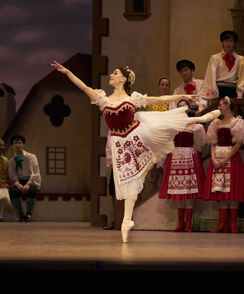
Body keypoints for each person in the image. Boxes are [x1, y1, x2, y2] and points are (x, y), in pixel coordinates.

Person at [51, 61, 220, 243]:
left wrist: (184, 96)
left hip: (136, 134)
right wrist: (68, 72)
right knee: (127, 180)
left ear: (123, 79)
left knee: (165, 122)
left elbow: (157, 99)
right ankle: (126, 221)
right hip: (119, 143)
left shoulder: (132, 99)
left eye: (114, 73)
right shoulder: (102, 99)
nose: (111, 75)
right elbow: (83, 87)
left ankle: (200, 118)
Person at [158, 100, 206, 232]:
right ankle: (181, 222)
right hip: (176, 157)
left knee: (189, 190)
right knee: (179, 190)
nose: (182, 109)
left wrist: (193, 153)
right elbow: (166, 142)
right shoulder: (173, 126)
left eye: (184, 106)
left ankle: (189, 223)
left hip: (189, 156)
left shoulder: (194, 125)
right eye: (179, 107)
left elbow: (200, 143)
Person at [202, 97, 244, 233]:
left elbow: (238, 143)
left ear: (227, 106)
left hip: (230, 157)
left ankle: (232, 224)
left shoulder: (237, 122)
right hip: (218, 157)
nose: (219, 107)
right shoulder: (216, 123)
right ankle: (222, 224)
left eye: (221, 105)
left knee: (231, 191)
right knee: (221, 191)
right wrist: (213, 158)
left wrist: (226, 158)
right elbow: (213, 142)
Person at [200, 30, 244, 100]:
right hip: (219, 90)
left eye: (231, 41)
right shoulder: (215, 58)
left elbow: (242, 79)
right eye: (226, 41)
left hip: (233, 91)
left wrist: (239, 95)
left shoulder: (240, 59)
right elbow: (211, 77)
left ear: (234, 43)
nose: (228, 43)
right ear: (222, 42)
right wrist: (213, 95)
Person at [8, 135, 41, 222]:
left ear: (23, 144)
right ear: (12, 146)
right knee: (12, 192)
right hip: (18, 181)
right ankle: (21, 213)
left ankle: (29, 213)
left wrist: (28, 184)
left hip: (30, 180)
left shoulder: (31, 156)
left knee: (32, 191)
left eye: (19, 142)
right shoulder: (11, 161)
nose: (17, 145)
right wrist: (18, 184)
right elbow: (12, 174)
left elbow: (35, 172)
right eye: (15, 143)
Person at [0, 139, 11, 221]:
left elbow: (7, 174)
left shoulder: (6, 160)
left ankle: (1, 217)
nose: (2, 147)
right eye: (0, 145)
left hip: (3, 182)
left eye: (3, 145)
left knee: (4, 197)